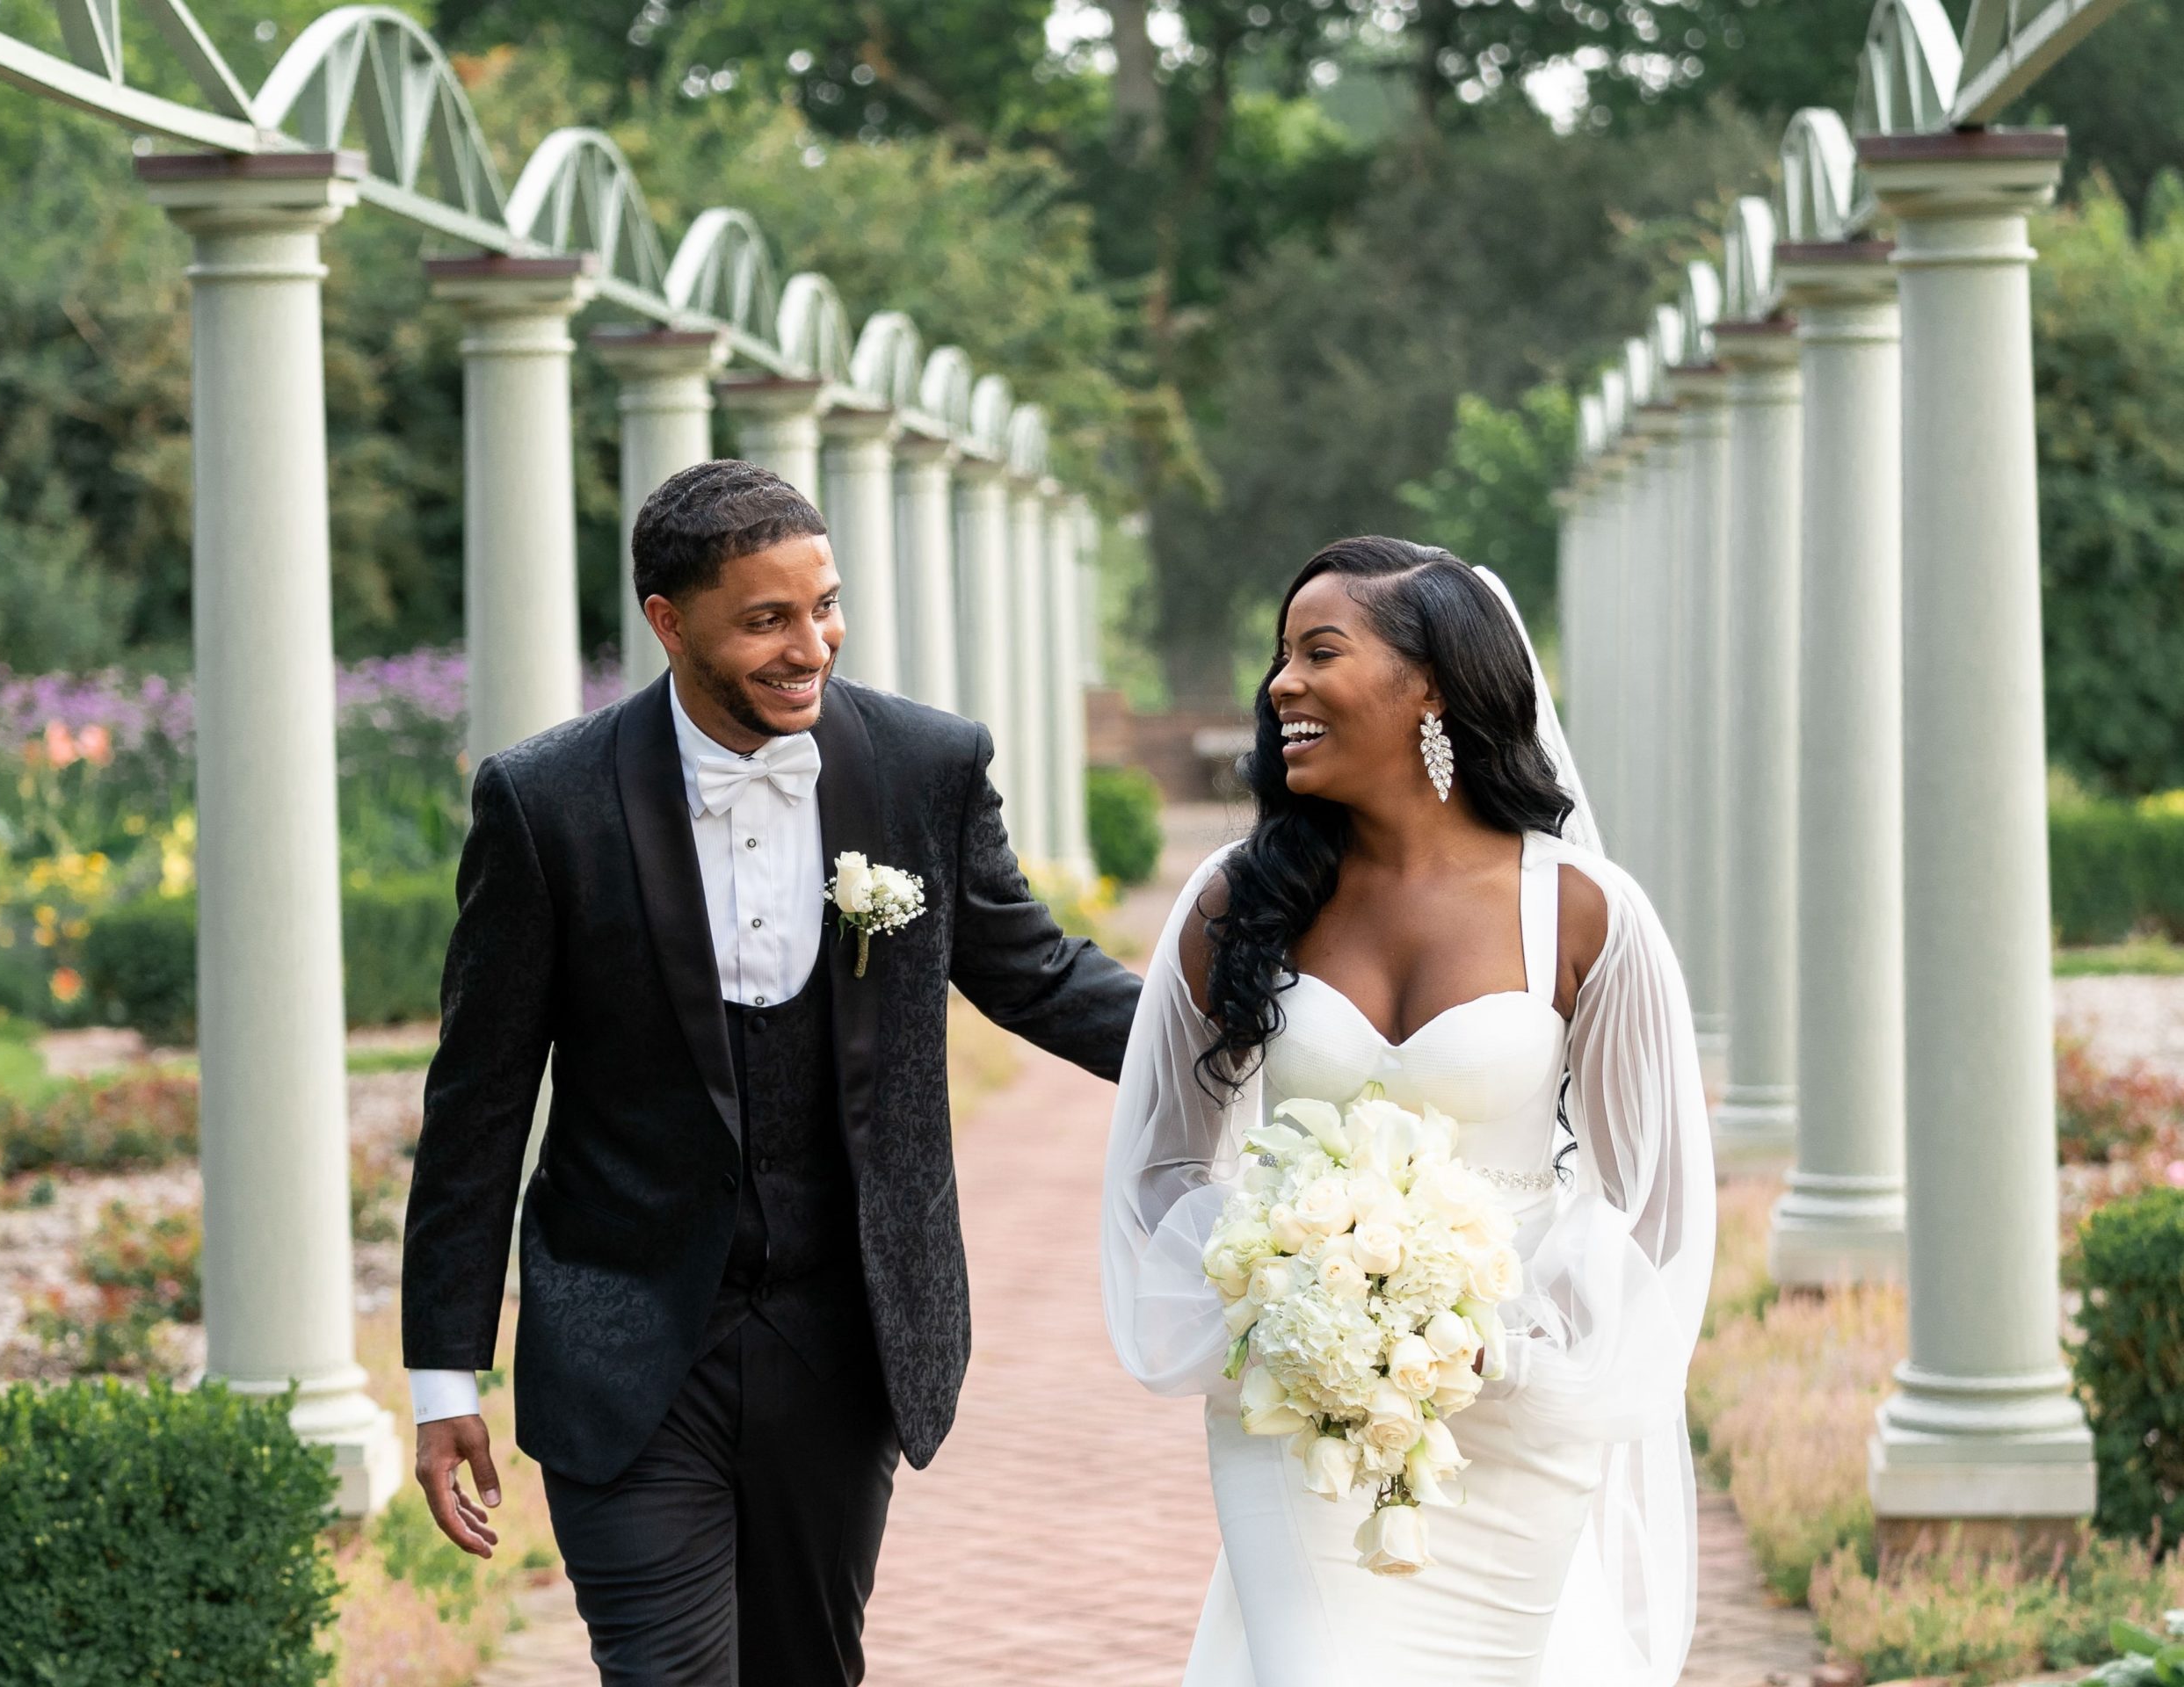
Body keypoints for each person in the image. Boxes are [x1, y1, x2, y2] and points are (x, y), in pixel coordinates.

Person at [402, 459, 1141, 1686]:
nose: (813, 647)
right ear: (668, 622)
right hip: (623, 1334)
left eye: (824, 608)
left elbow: (1036, 975)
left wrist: (1254, 1047)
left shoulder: (923, 767)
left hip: (843, 1330)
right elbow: (478, 1103)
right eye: (767, 620)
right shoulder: (545, 802)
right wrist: (440, 1375)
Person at [1101, 536, 1714, 1685]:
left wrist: (1525, 1346)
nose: (1281, 684)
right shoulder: (1243, 897)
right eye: (1279, 656)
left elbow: (1653, 1201)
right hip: (1299, 1409)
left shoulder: (1583, 913)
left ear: (1431, 682)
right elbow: (1161, 1167)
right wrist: (1265, 1297)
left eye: (1319, 652)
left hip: (1514, 1416)